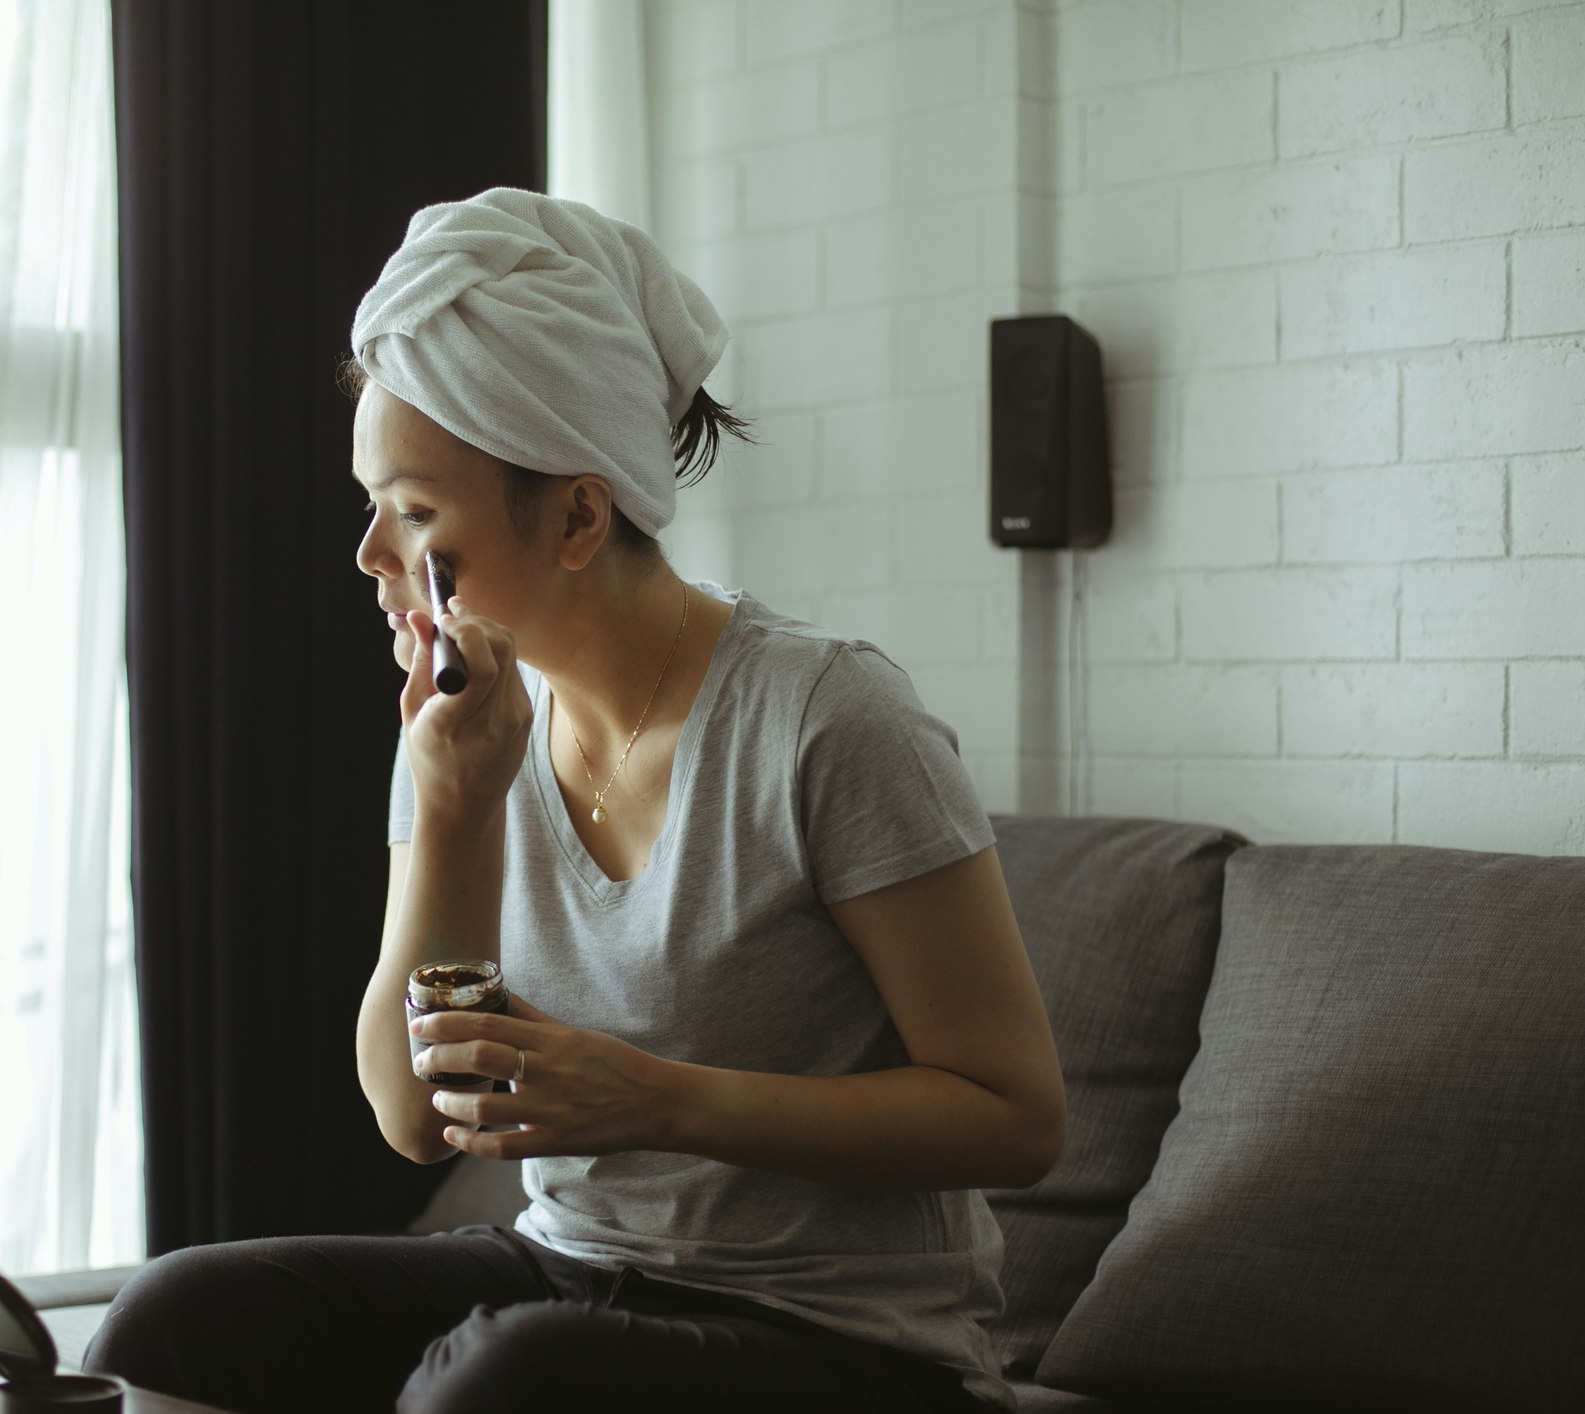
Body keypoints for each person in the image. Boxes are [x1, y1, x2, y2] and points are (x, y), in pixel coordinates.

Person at [82, 188, 1064, 1414]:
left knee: (495, 1385)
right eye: (371, 506)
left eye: (417, 514)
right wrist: (450, 813)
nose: (372, 558)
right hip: (577, 1266)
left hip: (847, 1335)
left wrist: (656, 1097)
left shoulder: (828, 718)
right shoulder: (471, 722)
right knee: (175, 1319)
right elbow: (411, 1111)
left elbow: (1015, 1115)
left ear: (581, 514)